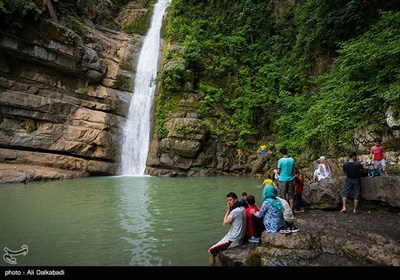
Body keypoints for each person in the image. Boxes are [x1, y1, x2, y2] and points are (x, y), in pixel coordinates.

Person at [208, 192, 246, 265]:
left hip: (233, 239)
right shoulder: (242, 208)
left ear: (235, 200)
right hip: (237, 237)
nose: (228, 202)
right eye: (228, 200)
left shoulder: (235, 211)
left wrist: (228, 209)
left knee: (210, 251)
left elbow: (224, 223)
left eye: (230, 200)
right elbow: (231, 223)